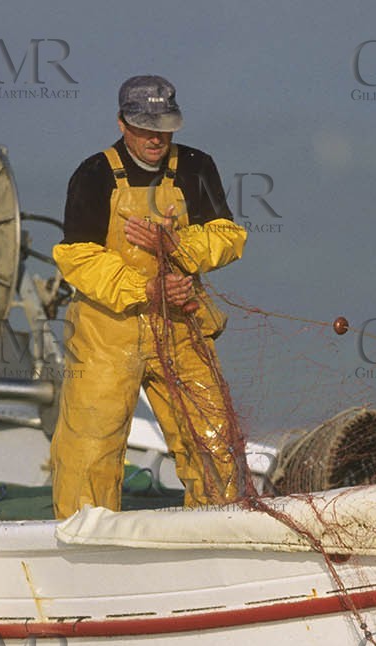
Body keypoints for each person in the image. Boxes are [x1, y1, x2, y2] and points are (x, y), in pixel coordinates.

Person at [49, 74, 249, 519]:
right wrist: (145, 287)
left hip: (182, 323)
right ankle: (86, 543)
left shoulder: (196, 166)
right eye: (145, 127)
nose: (156, 138)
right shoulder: (94, 174)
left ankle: (217, 529)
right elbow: (78, 257)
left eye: (165, 127)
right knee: (90, 447)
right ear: (122, 123)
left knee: (213, 438)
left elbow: (227, 234)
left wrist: (179, 249)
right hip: (107, 333)